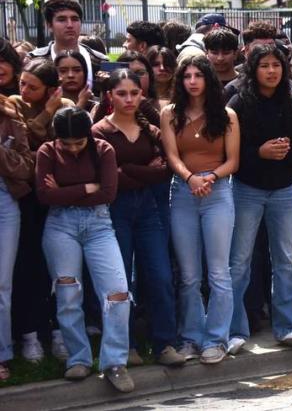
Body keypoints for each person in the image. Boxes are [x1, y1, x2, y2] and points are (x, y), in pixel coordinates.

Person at [36, 107, 133, 392]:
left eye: (79, 142)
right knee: (67, 293)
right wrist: (87, 187)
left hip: (99, 225)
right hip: (59, 226)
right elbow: (43, 195)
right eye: (67, 144)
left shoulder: (103, 149)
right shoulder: (46, 152)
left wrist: (65, 190)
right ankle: (78, 358)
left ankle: (115, 362)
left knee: (117, 292)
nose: (74, 148)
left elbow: (108, 193)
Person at [92, 69, 183, 367]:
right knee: (121, 281)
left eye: (134, 93)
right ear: (110, 96)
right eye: (121, 93)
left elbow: (163, 171)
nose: (129, 99)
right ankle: (126, 346)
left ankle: (165, 343)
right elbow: (108, 180)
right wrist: (142, 172)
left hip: (148, 210)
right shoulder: (99, 132)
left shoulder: (151, 131)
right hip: (113, 211)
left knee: (159, 275)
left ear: (141, 94)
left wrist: (127, 171)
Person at [226, 44, 292, 352]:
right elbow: (230, 153)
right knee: (239, 262)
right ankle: (233, 329)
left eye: (276, 64)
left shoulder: (291, 102)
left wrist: (287, 152)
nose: (271, 71)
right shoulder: (239, 102)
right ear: (253, 68)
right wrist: (260, 153)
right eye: (264, 65)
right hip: (247, 189)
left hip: (285, 191)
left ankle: (288, 325)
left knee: (285, 261)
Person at [160, 55, 240, 364]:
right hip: (182, 192)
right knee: (189, 276)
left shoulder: (227, 115)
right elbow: (172, 155)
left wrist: (210, 178)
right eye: (187, 76)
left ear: (208, 79)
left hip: (219, 193)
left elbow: (233, 160)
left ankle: (216, 339)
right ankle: (191, 337)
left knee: (219, 272)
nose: (192, 81)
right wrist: (190, 178)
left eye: (198, 75)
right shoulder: (169, 113)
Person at [9, 60, 73, 363]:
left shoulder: (68, 104)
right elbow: (26, 143)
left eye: (32, 86)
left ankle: (59, 331)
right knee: (27, 267)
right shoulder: (13, 103)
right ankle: (29, 334)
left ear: (49, 89)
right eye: (22, 83)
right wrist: (47, 111)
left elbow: (66, 149)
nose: (24, 90)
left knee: (58, 268)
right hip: (26, 199)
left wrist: (41, 156)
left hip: (57, 197)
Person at [0, 93, 32, 382]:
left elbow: (26, 167)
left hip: (5, 202)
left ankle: (2, 354)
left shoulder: (11, 118)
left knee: (2, 284)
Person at [27, 0, 107, 89]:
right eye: (62, 20)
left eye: (75, 19)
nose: (70, 25)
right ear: (49, 25)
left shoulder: (100, 61)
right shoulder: (34, 60)